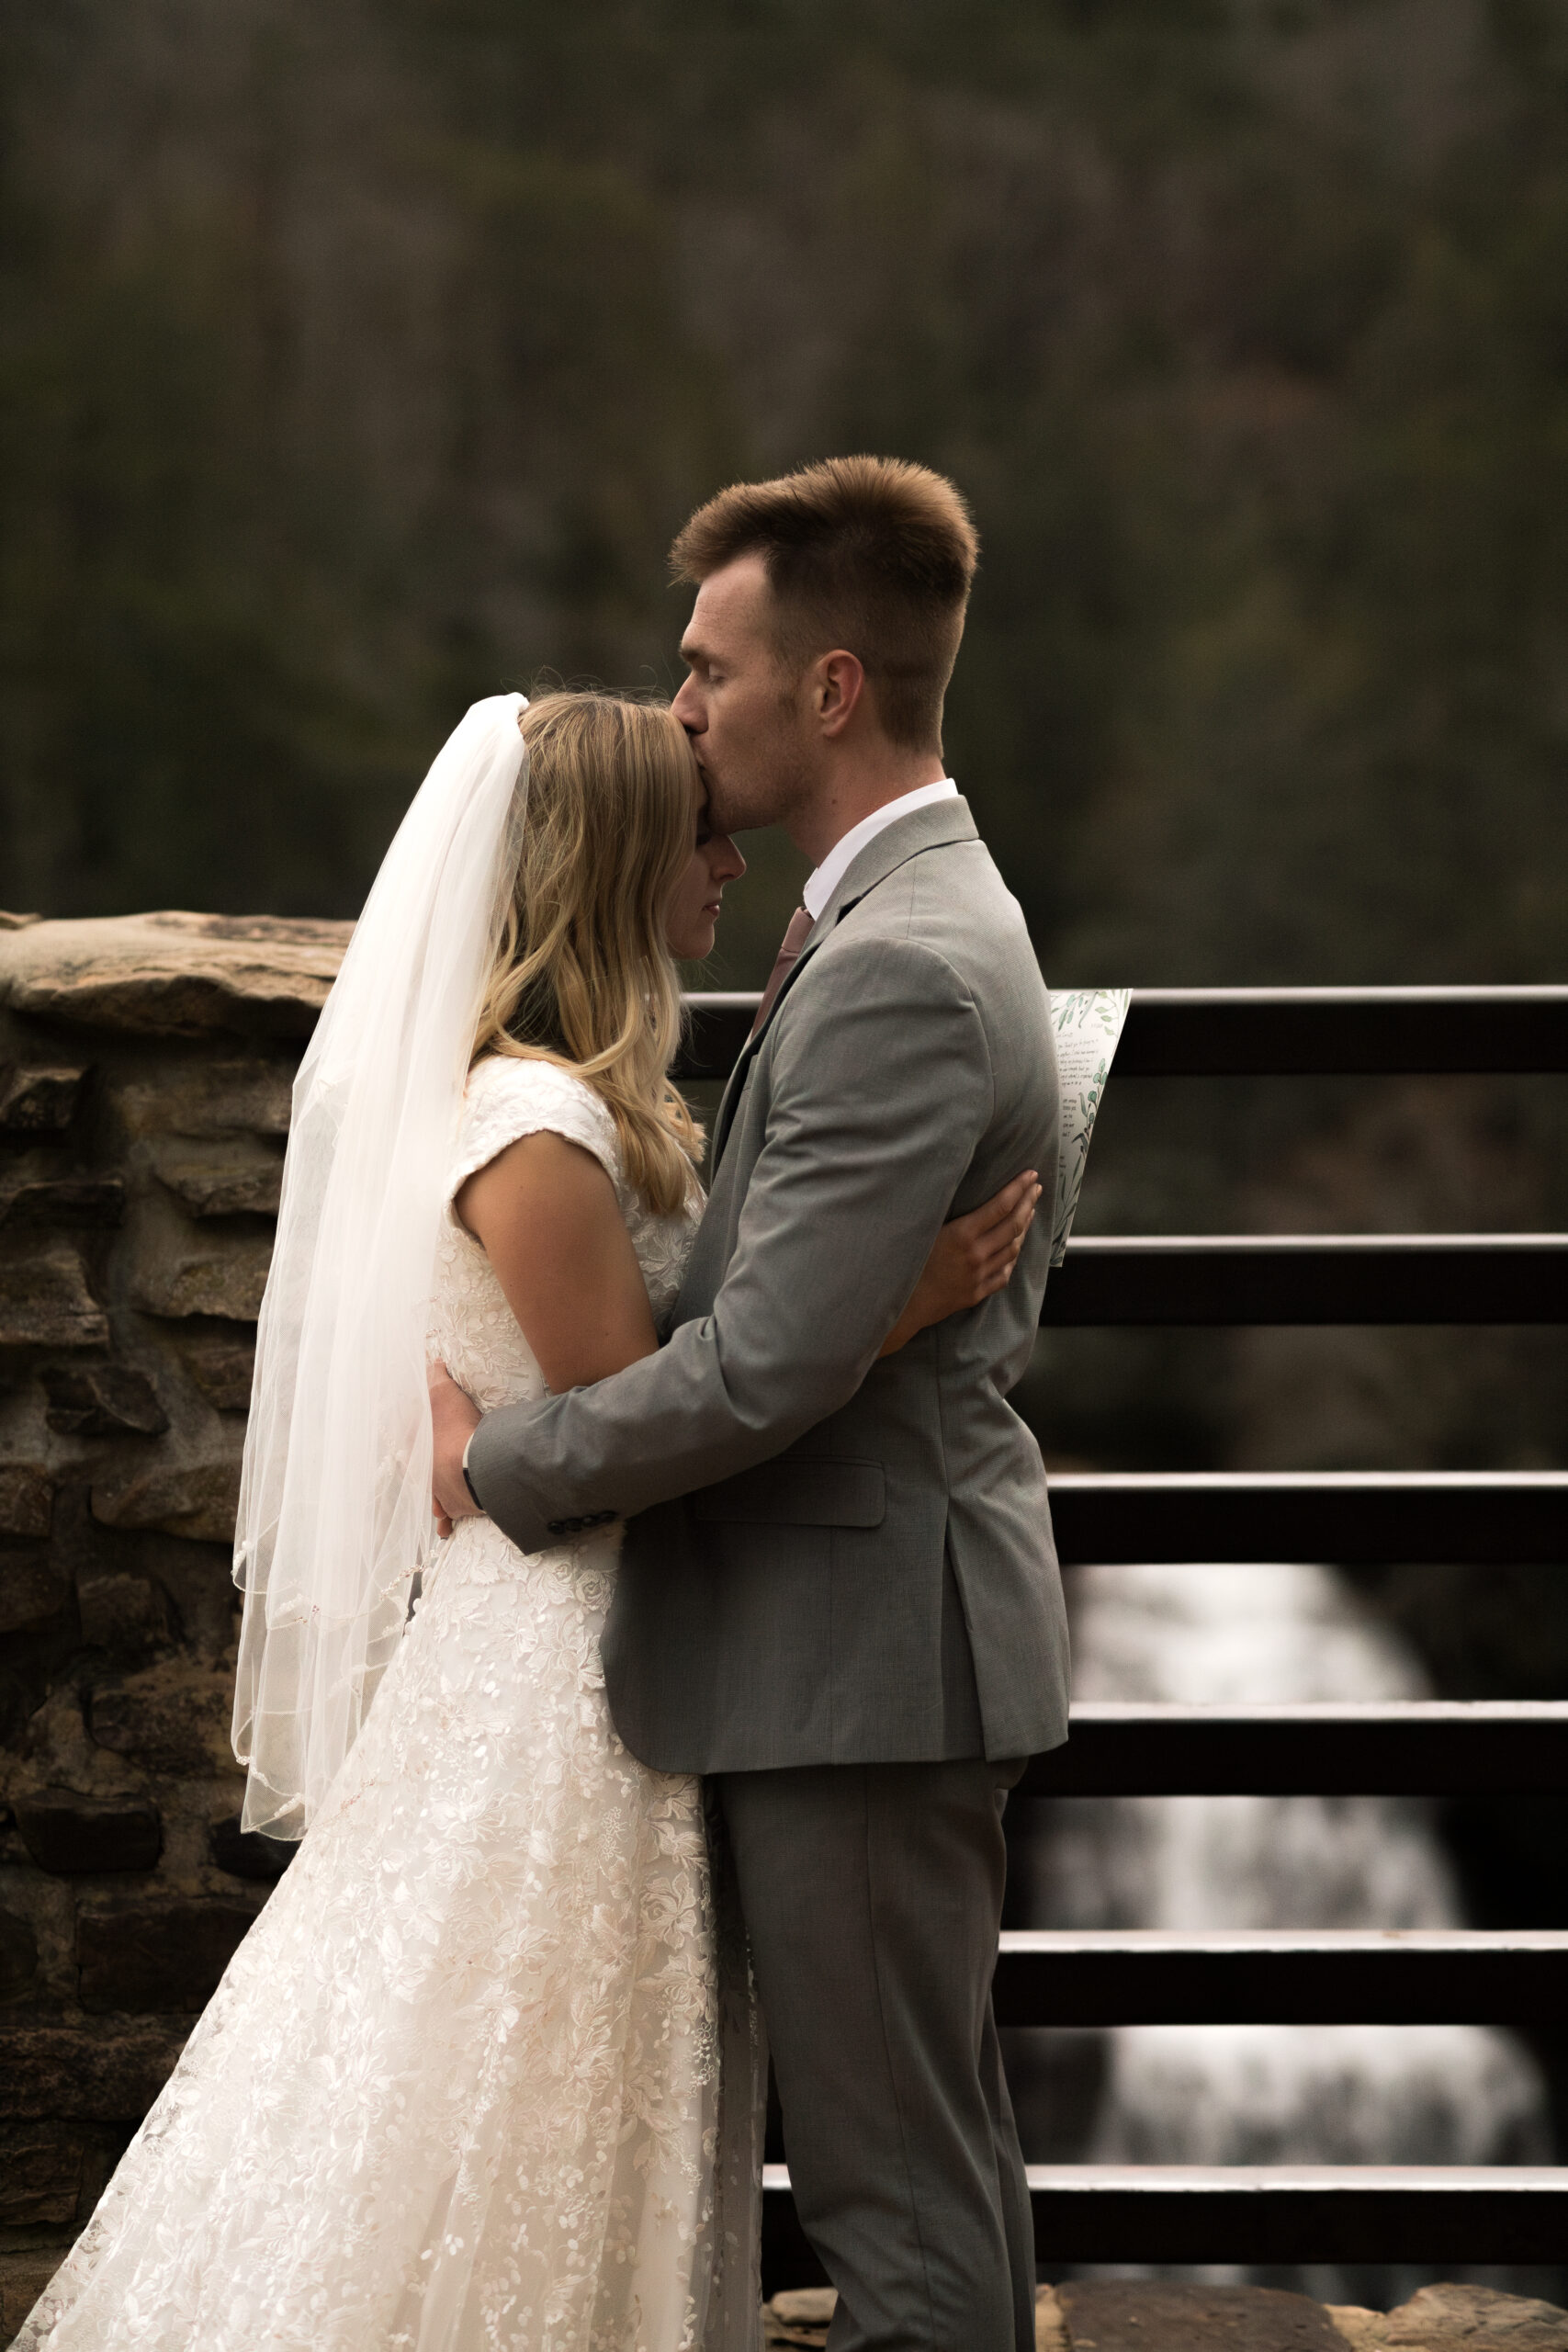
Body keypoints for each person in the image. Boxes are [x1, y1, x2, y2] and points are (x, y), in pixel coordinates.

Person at [17, 687, 1036, 2352]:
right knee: (521, 2101)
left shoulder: (584, 1101)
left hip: (613, 1642)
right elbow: (652, 1422)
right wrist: (889, 1304)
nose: (728, 857)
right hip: (566, 1676)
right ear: (620, 863)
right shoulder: (539, 1127)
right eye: (696, 834)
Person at [432, 458, 1066, 2352]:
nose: (680, 704)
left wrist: (504, 1462)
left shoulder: (896, 964)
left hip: (864, 1650)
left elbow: (766, 1359)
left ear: (832, 688)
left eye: (708, 668)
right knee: (927, 2165)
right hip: (854, 1635)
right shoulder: (892, 915)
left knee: (896, 2202)